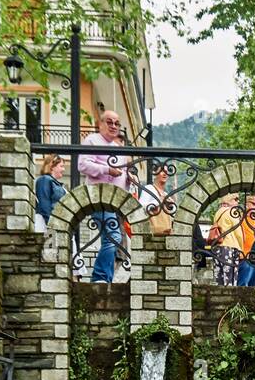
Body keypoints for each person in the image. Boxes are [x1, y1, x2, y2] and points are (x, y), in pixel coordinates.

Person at [77, 110, 136, 282]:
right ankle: (99, 277)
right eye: (109, 122)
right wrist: (107, 169)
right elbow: (83, 165)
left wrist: (129, 178)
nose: (113, 126)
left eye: (117, 123)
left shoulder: (119, 149)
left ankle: (106, 279)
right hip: (100, 198)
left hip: (116, 202)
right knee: (113, 237)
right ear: (100, 123)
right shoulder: (91, 140)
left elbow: (122, 175)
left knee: (111, 240)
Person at [210, 192, 243, 286]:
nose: (238, 202)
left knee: (219, 276)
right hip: (230, 247)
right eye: (235, 199)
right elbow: (238, 232)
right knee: (230, 278)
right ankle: (230, 298)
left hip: (217, 247)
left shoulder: (218, 212)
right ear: (229, 200)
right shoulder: (231, 212)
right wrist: (241, 248)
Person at [139, 164, 174, 236]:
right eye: (161, 171)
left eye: (166, 171)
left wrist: (171, 206)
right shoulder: (149, 189)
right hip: (152, 232)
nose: (165, 174)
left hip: (166, 232)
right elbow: (140, 208)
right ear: (155, 174)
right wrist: (159, 201)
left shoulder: (165, 193)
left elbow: (173, 215)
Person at [34, 155, 66, 233]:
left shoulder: (57, 184)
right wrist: (53, 227)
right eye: (61, 166)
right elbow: (44, 206)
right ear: (52, 166)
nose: (64, 169)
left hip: (53, 225)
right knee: (49, 245)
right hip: (47, 226)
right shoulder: (44, 180)